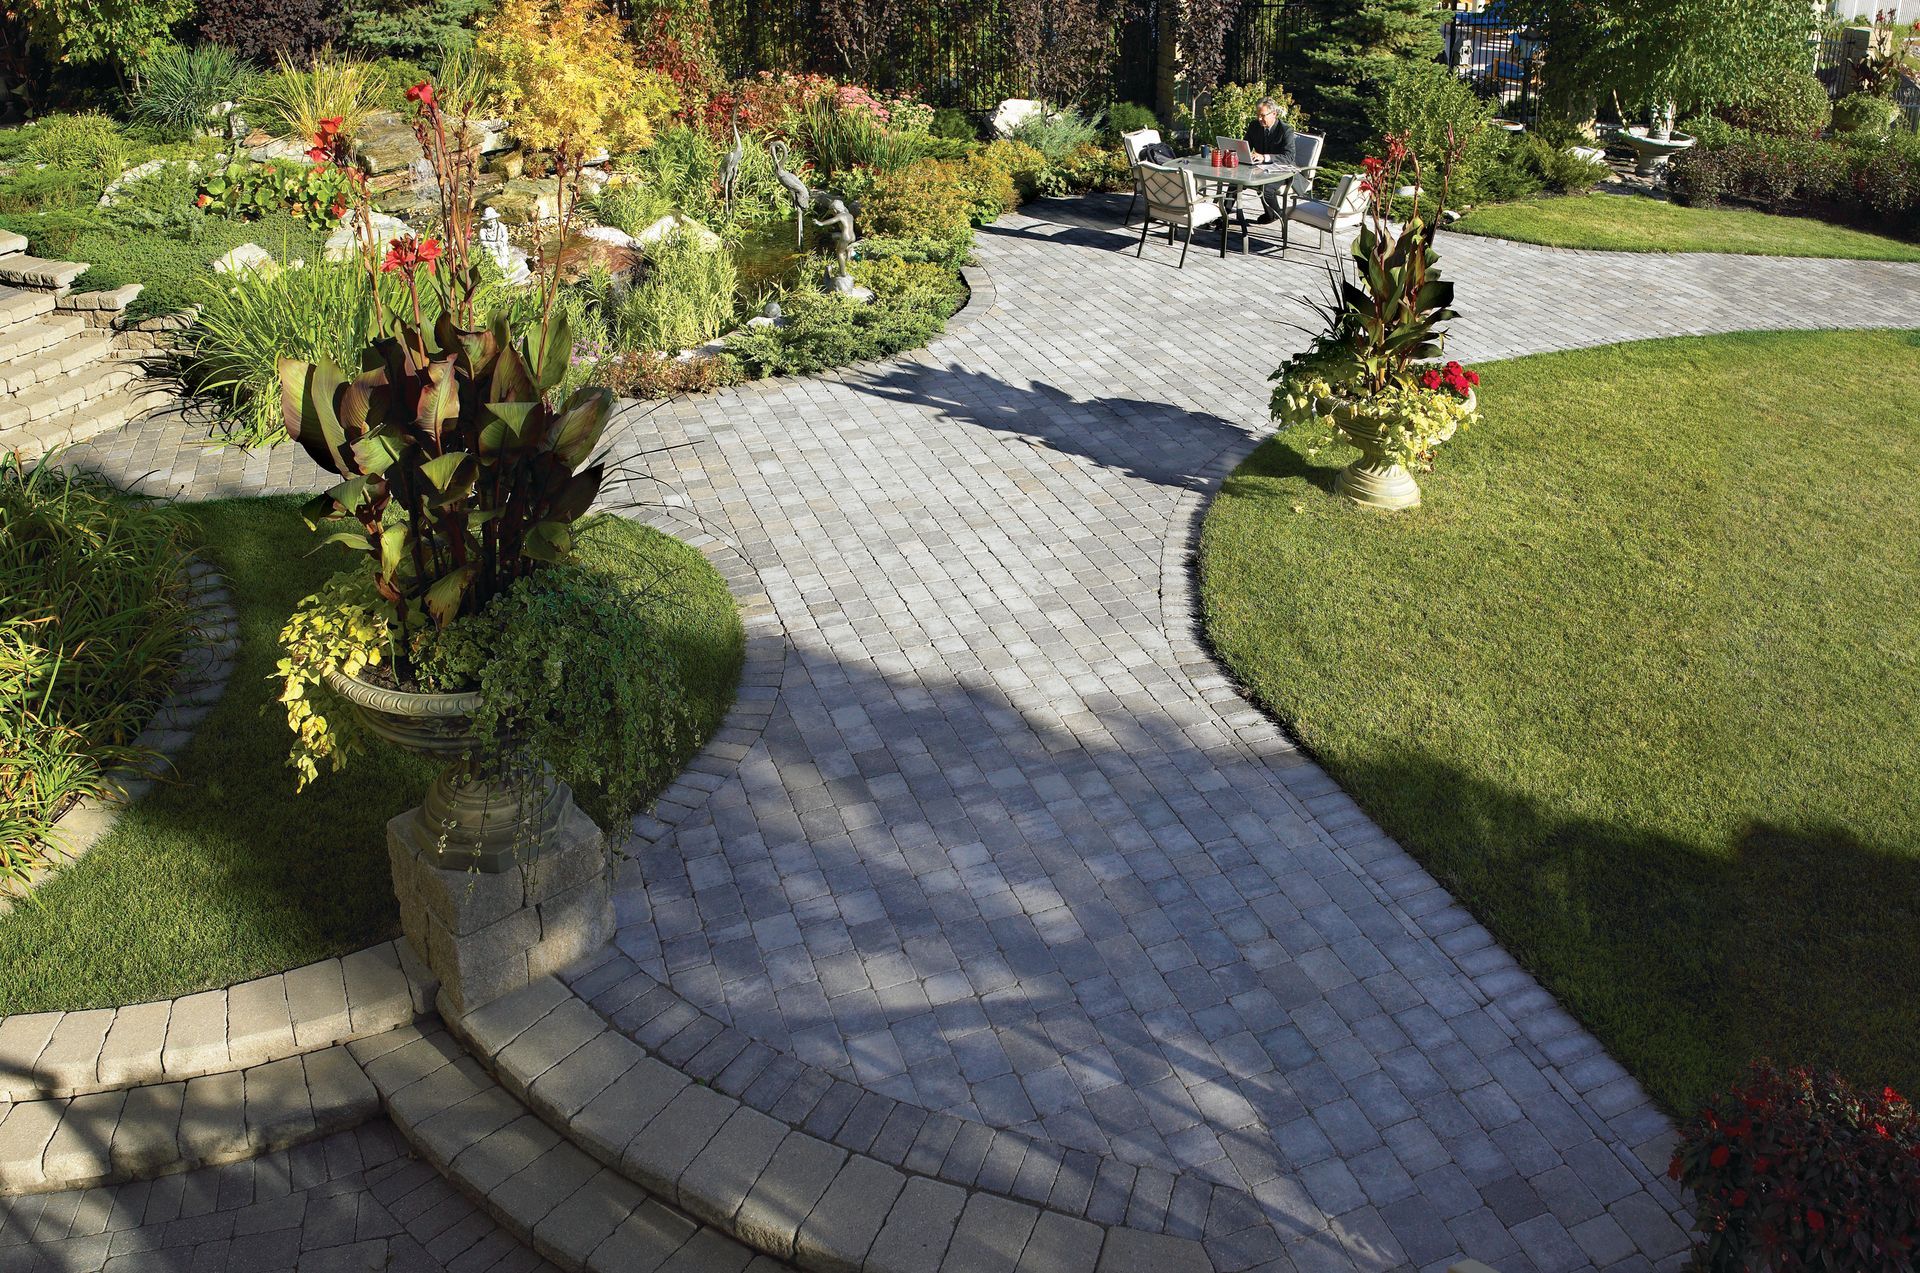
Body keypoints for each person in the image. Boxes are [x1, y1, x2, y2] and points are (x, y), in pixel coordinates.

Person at [1245, 97, 1296, 223]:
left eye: (1262, 115)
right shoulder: (1254, 126)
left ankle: (1278, 214)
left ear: (1274, 114)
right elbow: (1245, 146)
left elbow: (1289, 157)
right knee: (1234, 181)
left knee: (1266, 188)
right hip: (1260, 167)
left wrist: (1265, 157)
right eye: (1258, 115)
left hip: (1282, 170)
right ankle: (1224, 215)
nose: (1259, 119)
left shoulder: (1285, 130)